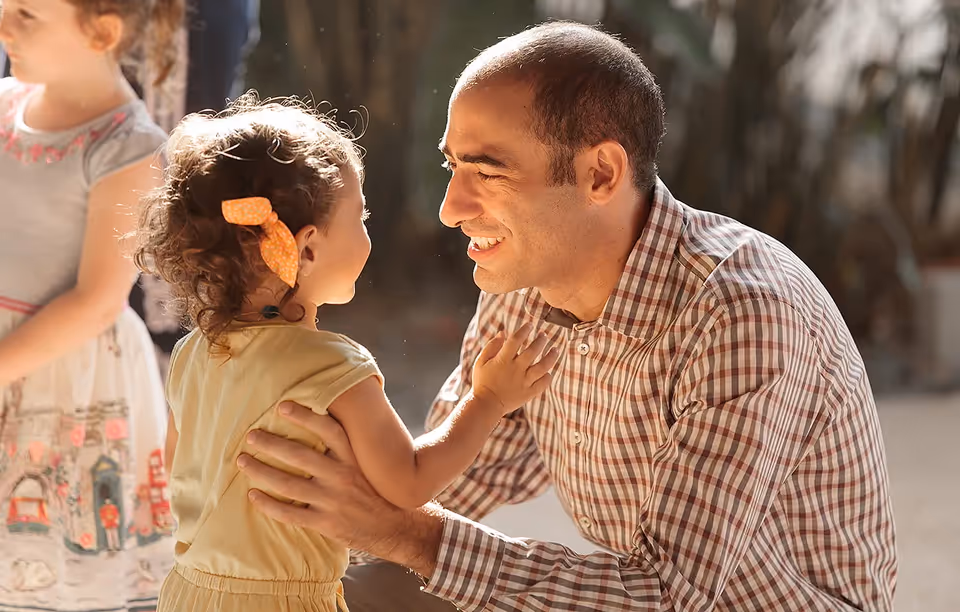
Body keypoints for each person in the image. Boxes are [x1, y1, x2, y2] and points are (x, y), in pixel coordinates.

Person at [237, 21, 899, 612]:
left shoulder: (743, 312)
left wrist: (405, 533)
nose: (450, 208)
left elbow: (669, 596)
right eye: (452, 166)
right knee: (349, 594)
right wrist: (282, 510)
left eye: (486, 173)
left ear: (601, 174)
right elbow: (448, 485)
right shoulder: (523, 285)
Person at [133, 94, 559, 612]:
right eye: (360, 216)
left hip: (188, 591)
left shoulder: (190, 354)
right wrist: (488, 400)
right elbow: (408, 483)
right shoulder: (333, 367)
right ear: (307, 248)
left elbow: (179, 467)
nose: (367, 233)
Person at [0, 0, 182, 610]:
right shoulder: (5, 104)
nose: (4, 29)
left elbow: (96, 300)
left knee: (50, 550)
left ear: (101, 31)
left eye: (25, 14)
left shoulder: (127, 147)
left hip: (63, 372)